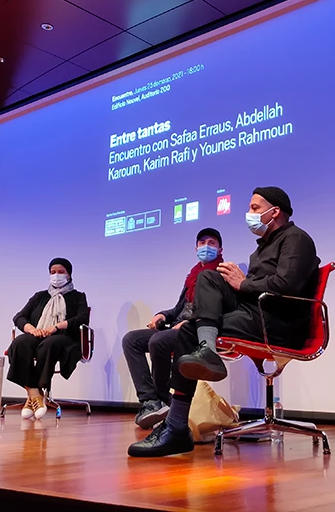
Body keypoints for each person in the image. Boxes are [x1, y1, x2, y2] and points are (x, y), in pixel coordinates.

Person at [128, 187, 319, 457]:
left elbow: (286, 285)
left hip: (278, 324)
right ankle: (177, 425)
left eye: (255, 208)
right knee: (206, 283)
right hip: (257, 316)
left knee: (191, 329)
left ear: (274, 212)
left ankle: (176, 427)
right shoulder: (262, 248)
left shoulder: (296, 239)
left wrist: (243, 283)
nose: (249, 213)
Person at [122, 228, 225, 430]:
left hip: (197, 329)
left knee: (157, 341)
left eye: (212, 243)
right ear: (196, 247)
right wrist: (162, 315)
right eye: (202, 242)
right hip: (176, 326)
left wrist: (188, 323)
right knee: (131, 340)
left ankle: (161, 399)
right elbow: (179, 308)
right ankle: (150, 401)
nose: (206, 247)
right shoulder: (193, 275)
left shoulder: (220, 273)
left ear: (220, 248)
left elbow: (217, 308)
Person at [6, 257, 90, 420]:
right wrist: (31, 329)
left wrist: (57, 326)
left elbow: (83, 318)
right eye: (53, 272)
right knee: (20, 343)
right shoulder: (39, 296)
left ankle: (34, 394)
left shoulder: (78, 296)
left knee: (50, 344)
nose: (56, 275)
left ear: (69, 275)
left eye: (61, 272)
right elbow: (19, 317)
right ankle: (35, 395)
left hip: (64, 338)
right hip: (39, 334)